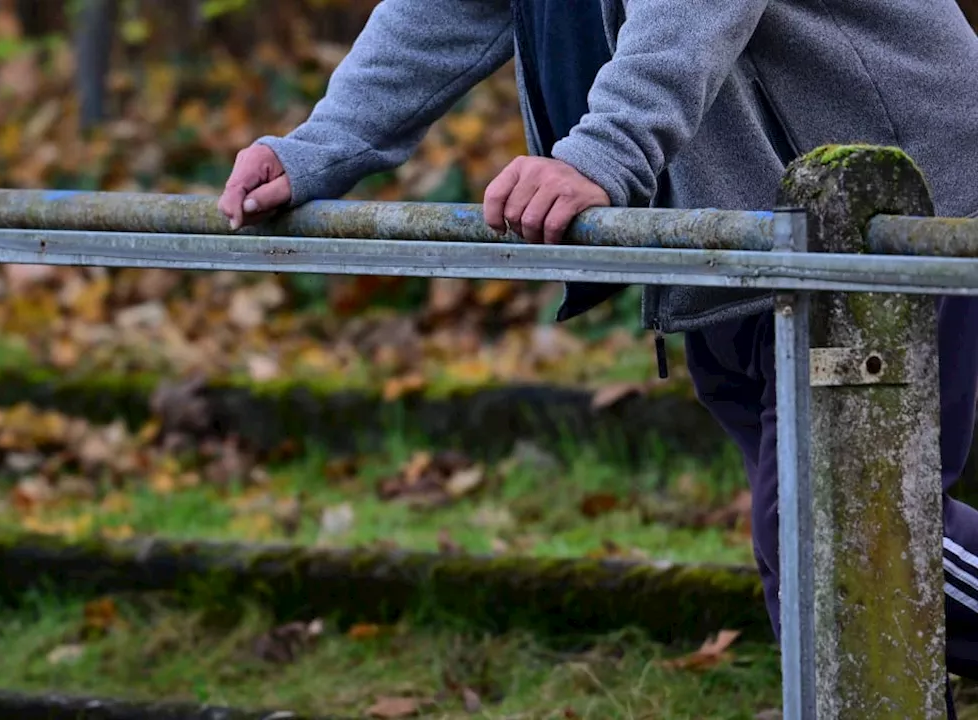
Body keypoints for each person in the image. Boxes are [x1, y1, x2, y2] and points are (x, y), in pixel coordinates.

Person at [218, 0, 978, 713]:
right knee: (812, 554)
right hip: (743, 235)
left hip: (888, 210)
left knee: (835, 534)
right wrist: (316, 149)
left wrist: (604, 151)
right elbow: (443, 11)